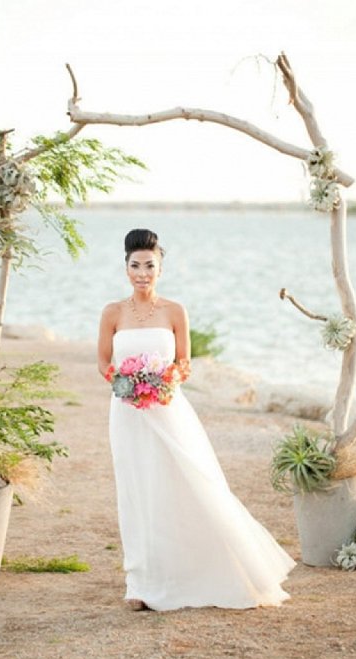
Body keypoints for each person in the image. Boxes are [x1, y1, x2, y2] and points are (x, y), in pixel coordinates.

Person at [97, 228, 294, 611]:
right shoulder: (112, 313)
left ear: (161, 268)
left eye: (149, 265)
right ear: (125, 268)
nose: (142, 272)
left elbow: (184, 363)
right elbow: (103, 361)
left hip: (169, 410)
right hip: (127, 413)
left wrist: (164, 380)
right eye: (135, 265)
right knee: (137, 490)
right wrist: (126, 383)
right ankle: (140, 582)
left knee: (188, 481)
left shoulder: (174, 311)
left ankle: (201, 570)